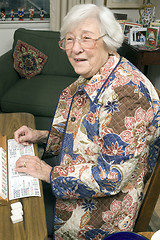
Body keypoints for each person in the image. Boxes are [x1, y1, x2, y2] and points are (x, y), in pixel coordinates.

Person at [14, 4, 160, 240]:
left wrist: (49, 173)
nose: (75, 48)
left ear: (108, 40)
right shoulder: (94, 75)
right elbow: (84, 131)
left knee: (20, 224)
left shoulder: (126, 93)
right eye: (69, 40)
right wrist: (40, 135)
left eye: (86, 38)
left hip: (98, 212)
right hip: (74, 176)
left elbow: (111, 177)